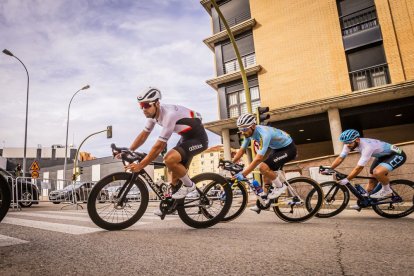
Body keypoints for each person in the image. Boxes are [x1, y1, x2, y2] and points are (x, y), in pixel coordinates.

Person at [122, 87, 208, 216]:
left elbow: (159, 147)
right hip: (185, 137)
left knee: (169, 159)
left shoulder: (169, 115)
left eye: (146, 105)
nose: (143, 109)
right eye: (141, 106)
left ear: (157, 103)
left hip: (198, 139)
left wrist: (141, 165)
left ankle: (189, 186)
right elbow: (143, 135)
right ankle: (171, 206)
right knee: (173, 174)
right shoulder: (152, 117)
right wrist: (129, 150)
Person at [231, 113, 297, 213]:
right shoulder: (248, 133)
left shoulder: (263, 133)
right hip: (277, 149)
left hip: (288, 149)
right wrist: (231, 163)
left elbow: (258, 159)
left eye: (244, 129)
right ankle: (263, 203)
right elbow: (241, 150)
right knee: (265, 174)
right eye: (240, 130)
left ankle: (280, 186)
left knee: (263, 167)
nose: (242, 132)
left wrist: (244, 174)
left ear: (253, 126)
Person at [329, 129, 406, 201]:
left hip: (396, 155)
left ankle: (387, 189)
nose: (347, 145)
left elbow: (359, 167)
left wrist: (347, 179)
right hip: (381, 157)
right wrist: (330, 168)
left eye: (349, 142)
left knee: (377, 172)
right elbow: (340, 158)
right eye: (345, 142)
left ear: (357, 140)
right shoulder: (349, 144)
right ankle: (366, 201)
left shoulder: (367, 147)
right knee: (372, 180)